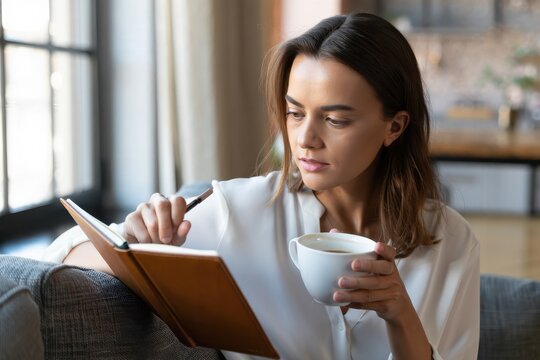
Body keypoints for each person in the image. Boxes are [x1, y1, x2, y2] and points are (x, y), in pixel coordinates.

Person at [44, 13, 479, 359]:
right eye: (294, 113)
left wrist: (400, 314)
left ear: (395, 126)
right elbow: (63, 254)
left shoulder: (450, 243)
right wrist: (137, 246)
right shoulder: (242, 212)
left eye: (335, 119)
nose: (306, 138)